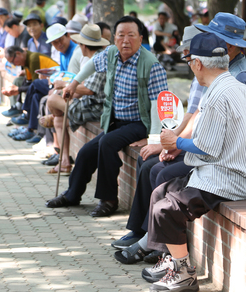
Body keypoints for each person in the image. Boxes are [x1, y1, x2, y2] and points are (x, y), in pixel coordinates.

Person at [141, 32, 246, 291]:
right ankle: (173, 261)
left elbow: (206, 149)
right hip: (230, 171)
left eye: (189, 62)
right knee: (160, 192)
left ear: (198, 63)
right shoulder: (235, 87)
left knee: (165, 209)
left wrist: (175, 142)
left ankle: (184, 274)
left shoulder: (218, 96)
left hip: (226, 178)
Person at [45, 16, 168, 218]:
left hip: (139, 123)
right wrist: (73, 84)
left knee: (108, 143)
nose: (125, 40)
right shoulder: (111, 53)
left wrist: (154, 140)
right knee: (85, 152)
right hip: (115, 120)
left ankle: (109, 199)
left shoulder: (151, 65)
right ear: (114, 39)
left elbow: (157, 106)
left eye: (131, 35)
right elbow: (92, 64)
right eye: (121, 35)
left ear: (141, 38)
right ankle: (72, 194)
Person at [111, 26, 204, 259]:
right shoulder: (200, 78)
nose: (187, 59)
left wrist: (173, 144)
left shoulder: (221, 81)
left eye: (189, 55)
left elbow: (200, 123)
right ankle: (141, 230)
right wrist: (171, 142)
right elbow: (190, 116)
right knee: (147, 164)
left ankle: (156, 241)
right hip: (191, 146)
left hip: (207, 156)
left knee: (160, 172)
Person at [45, 24, 110, 175]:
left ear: (83, 45)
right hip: (91, 104)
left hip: (96, 107)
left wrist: (64, 85)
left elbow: (89, 90)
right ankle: (65, 162)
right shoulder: (97, 57)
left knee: (52, 100)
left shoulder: (98, 60)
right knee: (59, 120)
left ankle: (64, 161)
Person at [196, 12, 246, 109]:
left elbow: (241, 121)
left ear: (229, 47)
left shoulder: (242, 78)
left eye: (212, 40)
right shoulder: (217, 68)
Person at [3, 46, 59, 142]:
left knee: (36, 84)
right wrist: (17, 90)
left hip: (54, 84)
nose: (14, 64)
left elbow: (35, 84)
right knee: (36, 96)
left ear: (18, 53)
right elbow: (29, 84)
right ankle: (32, 130)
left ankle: (24, 113)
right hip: (47, 85)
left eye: (13, 61)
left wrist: (18, 89)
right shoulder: (26, 61)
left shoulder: (33, 59)